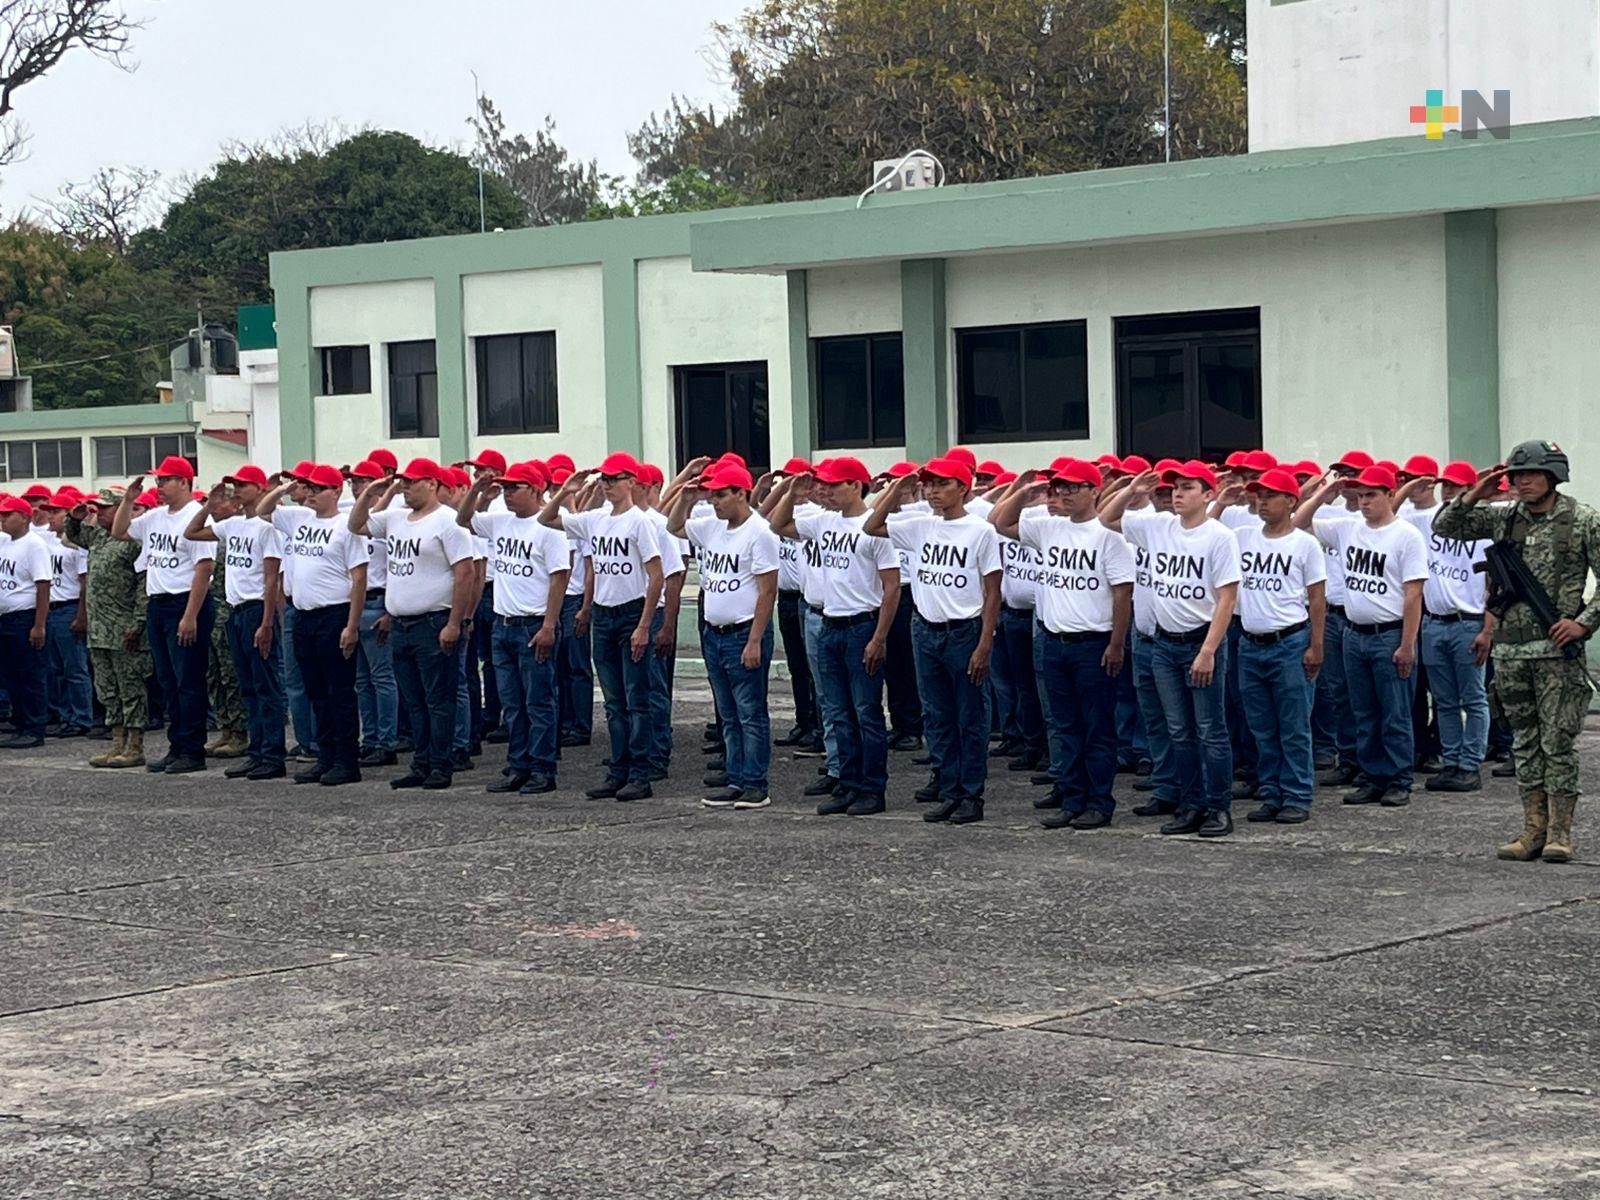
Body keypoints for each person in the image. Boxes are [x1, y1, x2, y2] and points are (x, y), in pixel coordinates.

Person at [1434, 440, 1600, 864]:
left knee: (1557, 744)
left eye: (1532, 473)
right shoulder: (1504, 519)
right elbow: (1445, 527)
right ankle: (1532, 830)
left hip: (1555, 653)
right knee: (1525, 744)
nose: (1522, 481)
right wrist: (1476, 493)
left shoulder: (1582, 521)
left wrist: (1584, 622)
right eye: (1516, 474)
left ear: (1553, 476)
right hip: (1510, 652)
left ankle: (1560, 833)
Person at [1099, 463, 1241, 837]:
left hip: (1200, 640)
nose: (1177, 494)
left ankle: (1218, 807)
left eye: (1188, 487)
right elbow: (1105, 517)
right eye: (1174, 487)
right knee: (1179, 730)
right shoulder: (1158, 526)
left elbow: (1227, 598)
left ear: (1208, 495)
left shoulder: (1218, 536)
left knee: (1210, 729)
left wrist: (1209, 650)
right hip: (1164, 643)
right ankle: (1190, 804)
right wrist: (1131, 489)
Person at [993, 460, 1134, 830]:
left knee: (1097, 728)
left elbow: (1123, 595)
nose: (1065, 494)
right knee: (1064, 725)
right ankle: (1072, 797)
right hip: (1054, 642)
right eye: (1061, 488)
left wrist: (1117, 644)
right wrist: (1025, 492)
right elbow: (1001, 523)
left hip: (1093, 642)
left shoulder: (1108, 537)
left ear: (1094, 491)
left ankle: (1099, 802)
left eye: (1074, 488)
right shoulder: (1048, 527)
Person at [866, 456, 1001, 825]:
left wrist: (985, 643)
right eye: (928, 485)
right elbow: (872, 523)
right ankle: (948, 787)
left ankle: (971, 794)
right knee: (938, 717)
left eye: (942, 484)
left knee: (970, 717)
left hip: (964, 630)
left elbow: (992, 591)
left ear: (963, 488)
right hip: (926, 629)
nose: (933, 491)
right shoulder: (921, 526)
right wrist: (898, 486)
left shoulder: (980, 530)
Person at [769, 457, 900, 816]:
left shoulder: (874, 528)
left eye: (834, 484)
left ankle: (872, 788)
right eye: (823, 484)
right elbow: (777, 524)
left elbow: (891, 588)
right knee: (838, 711)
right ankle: (848, 781)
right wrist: (790, 490)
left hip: (861, 625)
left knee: (866, 713)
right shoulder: (824, 521)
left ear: (856, 486)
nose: (825, 490)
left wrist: (879, 637)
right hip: (830, 625)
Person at [1296, 464, 1428, 807]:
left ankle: (1399, 779)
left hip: (1389, 633)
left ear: (1389, 496)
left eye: (1371, 494)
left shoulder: (1406, 535)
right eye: (1360, 495)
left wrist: (1407, 644)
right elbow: (1299, 522)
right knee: (1363, 711)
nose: (1364, 501)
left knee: (1394, 712)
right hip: (1354, 634)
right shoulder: (1348, 528)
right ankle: (1373, 776)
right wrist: (1323, 494)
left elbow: (1413, 594)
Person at [539, 453, 665, 801]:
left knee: (637, 698)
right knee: (613, 701)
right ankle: (619, 769)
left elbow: (656, 576)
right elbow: (546, 518)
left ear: (631, 482)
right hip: (604, 614)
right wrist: (567, 490)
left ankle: (640, 771)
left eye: (614, 479)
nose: (607, 484)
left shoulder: (640, 522)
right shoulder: (595, 519)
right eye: (604, 479)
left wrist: (644, 625)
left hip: (630, 613)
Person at [349, 458, 476, 790]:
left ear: (432, 484)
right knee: (414, 700)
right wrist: (377, 490)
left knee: (439, 699)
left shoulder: (449, 522)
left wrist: (455, 622)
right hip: (401, 623)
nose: (405, 487)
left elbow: (465, 573)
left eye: (411, 482)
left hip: (434, 621)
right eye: (402, 481)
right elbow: (356, 524)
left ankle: (440, 764)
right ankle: (421, 762)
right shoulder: (395, 518)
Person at [668, 462, 781, 809]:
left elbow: (767, 591)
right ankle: (735, 777)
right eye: (713, 494)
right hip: (715, 632)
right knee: (728, 714)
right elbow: (673, 526)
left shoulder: (759, 533)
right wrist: (687, 497)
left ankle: (754, 783)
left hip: (742, 631)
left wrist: (755, 640)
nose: (715, 501)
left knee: (750, 713)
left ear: (741, 494)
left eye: (721, 494)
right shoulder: (711, 528)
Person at [460, 461, 570, 795]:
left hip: (532, 624)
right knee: (512, 704)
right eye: (506, 488)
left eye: (515, 488)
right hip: (502, 624)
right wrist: (479, 490)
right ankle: (518, 764)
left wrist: (549, 625)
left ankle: (542, 767)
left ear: (536, 490)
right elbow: (464, 519)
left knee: (538, 702)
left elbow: (559, 578)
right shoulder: (500, 521)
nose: (508, 495)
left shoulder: (548, 527)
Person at [1227, 468, 1326, 824]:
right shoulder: (1242, 536)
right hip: (1251, 643)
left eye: (1270, 496)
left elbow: (1317, 598)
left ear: (1291, 501)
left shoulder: (1304, 543)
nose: (1262, 502)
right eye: (1259, 496)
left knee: (1294, 725)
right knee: (1262, 726)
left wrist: (1317, 646)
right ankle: (1271, 792)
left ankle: (1297, 794)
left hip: (1289, 641)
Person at [258, 465, 367, 786]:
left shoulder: (347, 527)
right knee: (315, 691)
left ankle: (347, 761)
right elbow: (264, 510)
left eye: (319, 488)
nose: (312, 494)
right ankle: (326, 755)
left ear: (336, 491)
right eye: (310, 488)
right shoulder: (298, 519)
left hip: (334, 614)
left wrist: (352, 625)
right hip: (303, 615)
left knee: (340, 692)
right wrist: (286, 488)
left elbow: (359, 578)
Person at [112, 456, 217, 774]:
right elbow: (120, 532)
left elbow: (205, 568)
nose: (159, 486)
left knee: (189, 681)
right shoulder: (156, 517)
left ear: (185, 482)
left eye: (166, 480)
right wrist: (128, 501)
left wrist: (190, 616)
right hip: (157, 603)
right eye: (158, 480)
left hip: (185, 602)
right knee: (168, 681)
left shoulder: (195, 518)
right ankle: (177, 746)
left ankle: (193, 750)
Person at [182, 466, 287, 780]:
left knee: (266, 686)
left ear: (258, 488)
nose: (237, 491)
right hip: (235, 611)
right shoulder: (234, 524)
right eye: (235, 486)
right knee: (249, 687)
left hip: (257, 609)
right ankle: (257, 751)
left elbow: (271, 579)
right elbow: (192, 533)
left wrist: (267, 622)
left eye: (243, 486)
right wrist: (208, 507)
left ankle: (272, 754)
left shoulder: (268, 526)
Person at [1396, 460, 1493, 793]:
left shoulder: (1483, 527)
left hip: (1468, 621)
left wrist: (1488, 629)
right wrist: (1409, 487)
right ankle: (1451, 761)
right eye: (1444, 485)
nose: (1447, 491)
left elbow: (1494, 584)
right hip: (1434, 622)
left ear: (1469, 490)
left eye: (1455, 486)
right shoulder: (1429, 520)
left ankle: (1470, 764)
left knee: (1473, 697)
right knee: (1444, 700)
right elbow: (1389, 514)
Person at [68, 489, 150, 767]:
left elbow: (143, 585)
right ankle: (117, 743)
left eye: (104, 508)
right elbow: (74, 534)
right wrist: (74, 517)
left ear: (119, 509)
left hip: (123, 628)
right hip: (99, 629)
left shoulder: (132, 541)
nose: (99, 512)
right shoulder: (98, 537)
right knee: (107, 689)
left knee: (130, 688)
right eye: (97, 509)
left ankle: (135, 745)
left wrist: (138, 622)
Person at [767, 457, 823, 753]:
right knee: (797, 666)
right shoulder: (784, 511)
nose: (792, 485)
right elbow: (764, 516)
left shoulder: (815, 514)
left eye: (796, 480)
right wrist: (783, 490)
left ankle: (818, 725)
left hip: (805, 597)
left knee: (814, 668)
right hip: (785, 597)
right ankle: (804, 721)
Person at [347, 460, 398, 769]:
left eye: (364, 480)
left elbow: (398, 568)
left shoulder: (388, 521)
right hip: (357, 603)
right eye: (353, 481)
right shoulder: (351, 519)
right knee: (362, 680)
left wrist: (391, 611)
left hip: (380, 601)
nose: (357, 486)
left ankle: (387, 741)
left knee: (382, 678)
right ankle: (371, 739)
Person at [36, 491, 93, 737]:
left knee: (75, 668)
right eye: (49, 511)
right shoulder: (45, 540)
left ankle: (81, 717)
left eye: (57, 511)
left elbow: (84, 583)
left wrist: (81, 616)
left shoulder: (77, 545)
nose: (51, 516)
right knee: (55, 668)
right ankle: (64, 714)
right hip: (51, 608)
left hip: (69, 607)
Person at [0, 494, 52, 748]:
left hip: (25, 616)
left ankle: (34, 727)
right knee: (11, 675)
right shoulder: (5, 542)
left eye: (8, 515)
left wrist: (39, 624)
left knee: (30, 674)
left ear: (24, 517)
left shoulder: (34, 544)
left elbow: (43, 585)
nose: (3, 519)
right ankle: (20, 723)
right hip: (5, 618)